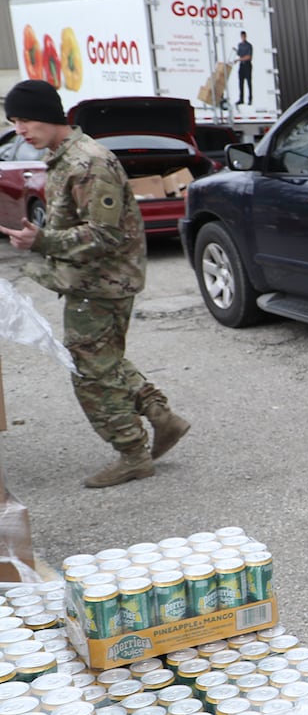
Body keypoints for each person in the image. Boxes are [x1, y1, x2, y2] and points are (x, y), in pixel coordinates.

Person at [0, 80, 191, 488]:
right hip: (90, 281)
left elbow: (104, 236)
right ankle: (161, 417)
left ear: (51, 116)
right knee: (104, 360)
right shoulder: (63, 158)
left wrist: (42, 241)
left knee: (89, 372)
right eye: (14, 121)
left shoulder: (88, 162)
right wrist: (41, 242)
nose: (19, 129)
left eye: (26, 119)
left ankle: (132, 454)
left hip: (102, 283)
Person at [235, 30, 253, 106]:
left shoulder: (249, 45)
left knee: (249, 82)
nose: (243, 38)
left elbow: (249, 57)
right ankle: (241, 99)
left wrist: (239, 59)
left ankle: (250, 99)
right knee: (240, 83)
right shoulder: (239, 45)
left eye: (244, 36)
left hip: (247, 65)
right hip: (241, 65)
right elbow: (239, 54)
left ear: (246, 36)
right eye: (242, 36)